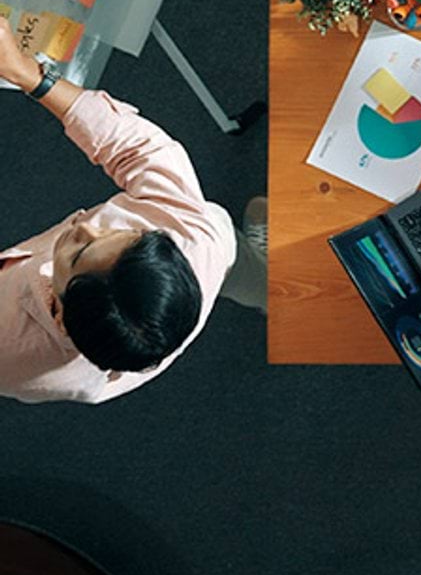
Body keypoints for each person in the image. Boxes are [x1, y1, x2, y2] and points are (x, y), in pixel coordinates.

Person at [0, 22, 266, 404]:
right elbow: (134, 146)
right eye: (118, 235)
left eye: (77, 253)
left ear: (61, 318)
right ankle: (271, 290)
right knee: (250, 275)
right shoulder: (188, 233)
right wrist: (25, 73)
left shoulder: (15, 353)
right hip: (221, 254)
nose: (85, 227)